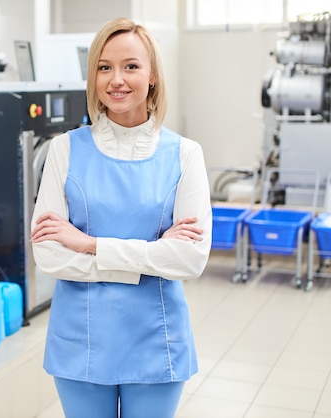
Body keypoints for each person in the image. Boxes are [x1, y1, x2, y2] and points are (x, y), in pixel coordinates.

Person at [30, 17, 212, 418]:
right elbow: (49, 255)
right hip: (80, 338)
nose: (117, 79)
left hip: (156, 338)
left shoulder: (185, 154)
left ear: (152, 77)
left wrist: (91, 244)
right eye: (104, 67)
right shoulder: (65, 150)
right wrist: (152, 256)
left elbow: (191, 258)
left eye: (131, 66)